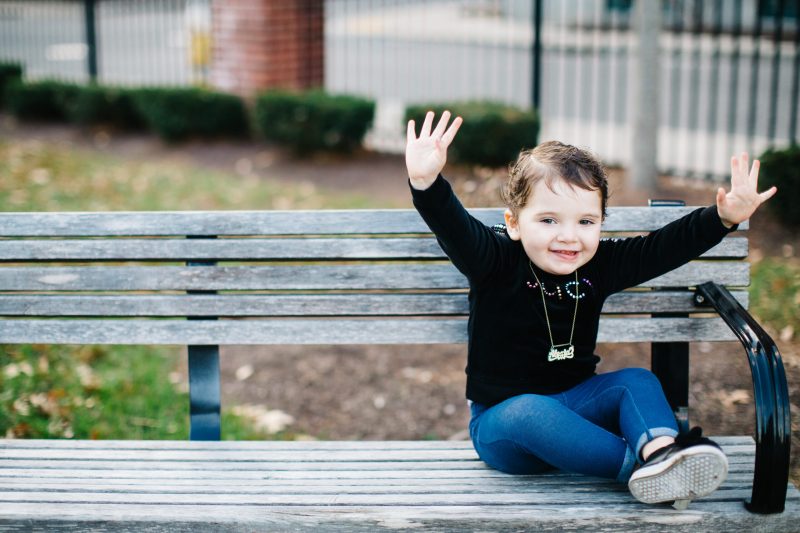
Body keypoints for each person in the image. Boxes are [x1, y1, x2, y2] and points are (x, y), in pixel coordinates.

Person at [405, 110, 777, 507]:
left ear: (601, 222)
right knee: (532, 411)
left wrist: (722, 217)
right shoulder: (495, 261)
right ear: (514, 223)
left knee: (635, 381)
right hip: (505, 427)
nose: (568, 237)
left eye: (585, 221)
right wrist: (426, 184)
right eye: (548, 220)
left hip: (578, 408)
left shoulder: (600, 265)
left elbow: (662, 248)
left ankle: (661, 452)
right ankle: (642, 471)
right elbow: (455, 228)